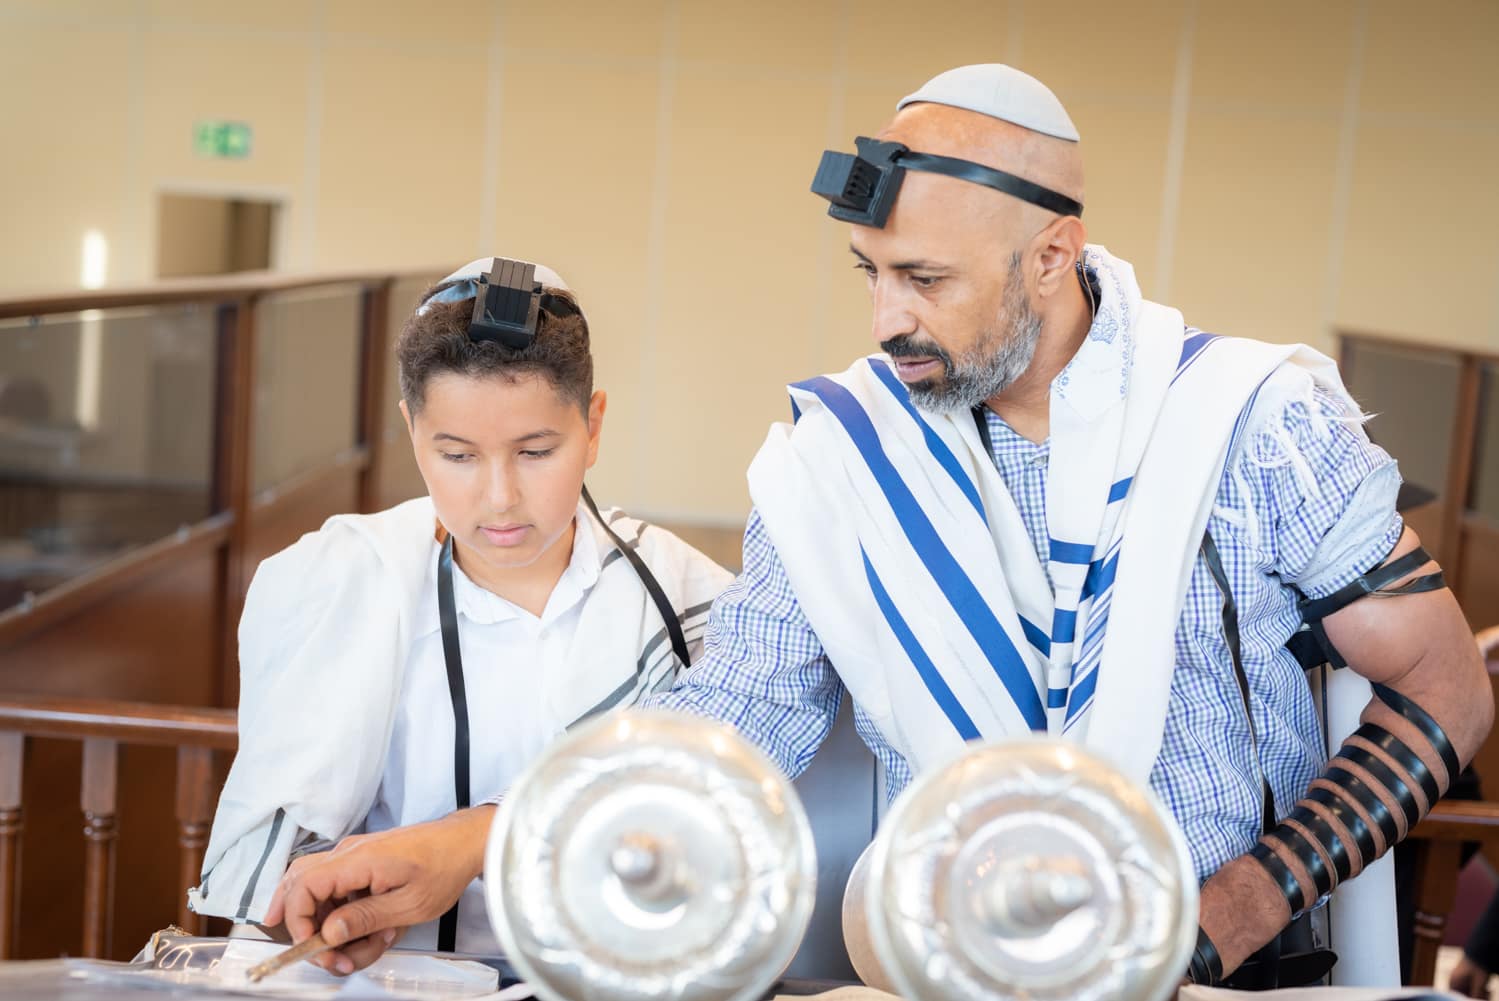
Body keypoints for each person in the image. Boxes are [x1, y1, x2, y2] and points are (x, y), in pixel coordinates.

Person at [268, 66, 1492, 987]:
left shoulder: (1250, 422)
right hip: (942, 971)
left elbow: (1447, 690)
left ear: (1051, 253)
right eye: (869, 273)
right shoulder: (835, 455)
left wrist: (1233, 908)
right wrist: (464, 846)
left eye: (925, 281)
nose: (883, 319)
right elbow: (726, 727)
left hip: (1220, 975)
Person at [190, 258, 732, 972]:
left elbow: (709, 813)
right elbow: (281, 866)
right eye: (457, 454)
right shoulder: (337, 587)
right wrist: (329, 910)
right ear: (411, 429)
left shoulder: (686, 598)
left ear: (592, 425)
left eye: (536, 451)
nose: (499, 497)